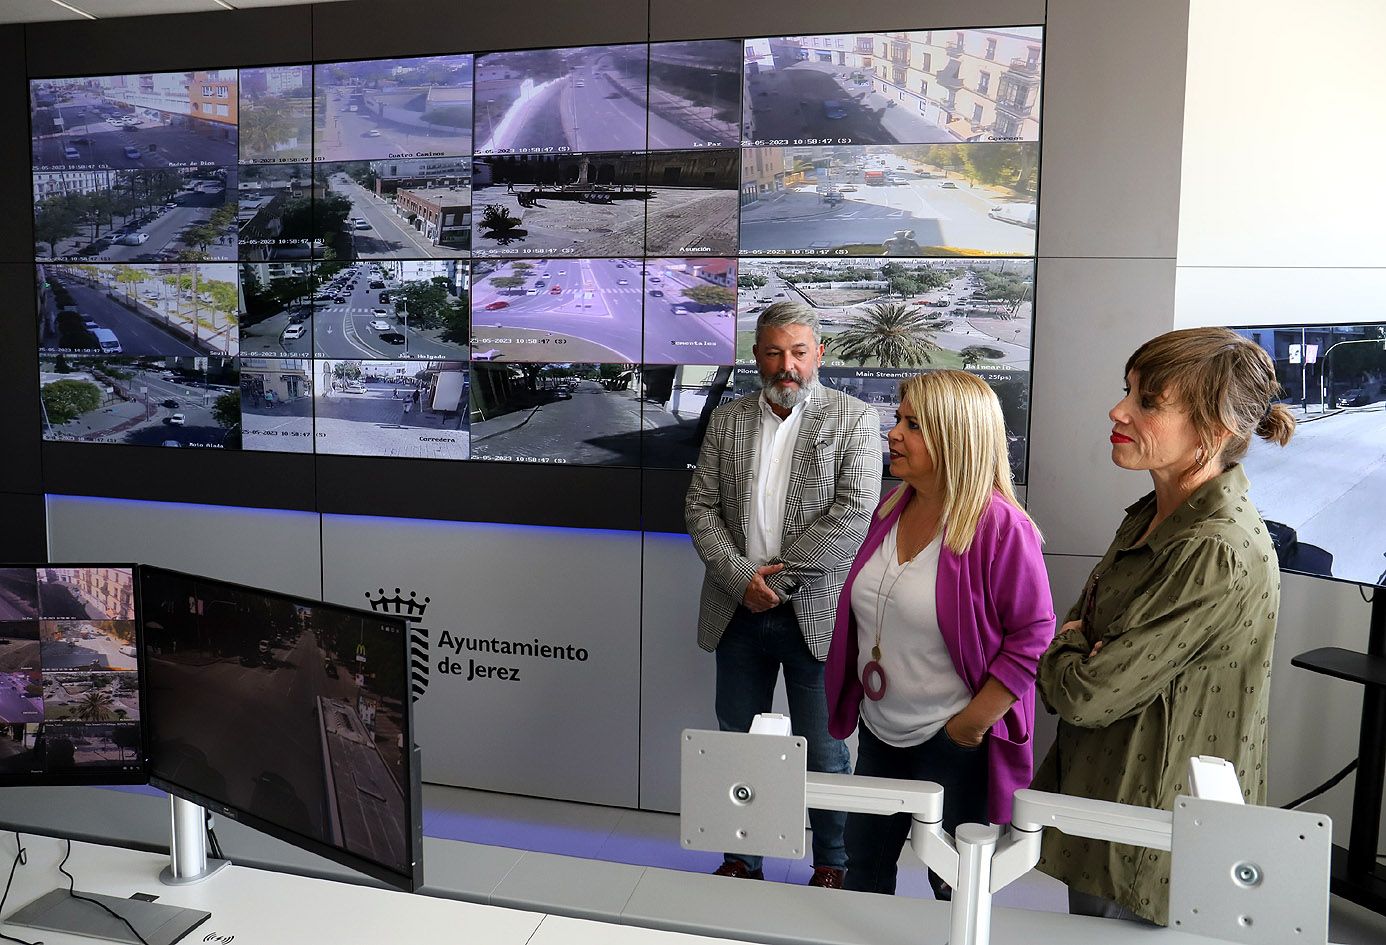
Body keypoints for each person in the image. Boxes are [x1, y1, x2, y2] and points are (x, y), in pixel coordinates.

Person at [1033, 327, 1296, 925]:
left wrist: (1071, 643)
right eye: (1127, 391)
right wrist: (1081, 646)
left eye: (1149, 401)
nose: (1117, 410)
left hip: (1158, 836)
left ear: (1218, 427)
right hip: (1109, 808)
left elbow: (1084, 693)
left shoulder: (1213, 548)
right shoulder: (1153, 517)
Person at [825, 371, 1054, 898]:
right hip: (881, 729)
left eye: (913, 424)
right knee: (865, 864)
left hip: (951, 740)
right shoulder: (893, 507)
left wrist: (969, 726)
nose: (893, 433)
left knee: (951, 885)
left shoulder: (1000, 526)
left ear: (955, 437)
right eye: (899, 419)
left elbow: (1033, 636)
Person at [685, 302, 883, 889]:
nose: (786, 365)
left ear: (819, 353)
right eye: (774, 352)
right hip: (736, 610)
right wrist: (739, 579)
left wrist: (775, 583)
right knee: (736, 744)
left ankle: (833, 862)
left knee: (823, 751)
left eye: (798, 351)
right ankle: (742, 857)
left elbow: (855, 514)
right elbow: (699, 507)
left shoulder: (854, 419)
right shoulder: (728, 419)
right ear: (756, 357)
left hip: (814, 614)